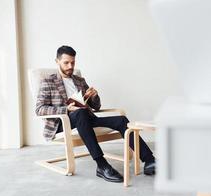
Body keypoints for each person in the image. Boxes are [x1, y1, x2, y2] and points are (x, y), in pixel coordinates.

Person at [36, 45, 155, 183]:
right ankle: (102, 165)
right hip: (63, 122)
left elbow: (96, 107)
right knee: (80, 113)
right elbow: (40, 109)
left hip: (86, 119)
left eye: (73, 62)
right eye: (66, 63)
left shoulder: (80, 81)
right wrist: (66, 109)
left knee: (122, 120)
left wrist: (94, 96)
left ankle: (150, 160)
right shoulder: (48, 82)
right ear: (57, 61)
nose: (70, 66)